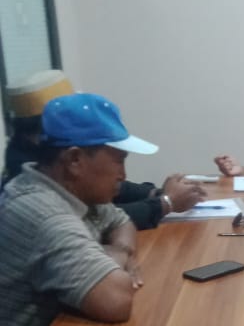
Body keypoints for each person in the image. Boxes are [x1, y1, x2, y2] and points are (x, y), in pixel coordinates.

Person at [0, 93, 156, 326]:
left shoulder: (71, 189)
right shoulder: (43, 213)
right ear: (74, 160)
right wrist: (110, 262)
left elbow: (121, 221)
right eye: (119, 161)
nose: (123, 174)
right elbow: (116, 300)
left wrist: (119, 251)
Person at [3, 70, 205, 226]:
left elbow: (113, 202)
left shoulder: (43, 152)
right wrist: (166, 202)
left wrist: (155, 193)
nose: (122, 174)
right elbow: (92, 223)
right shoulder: (31, 177)